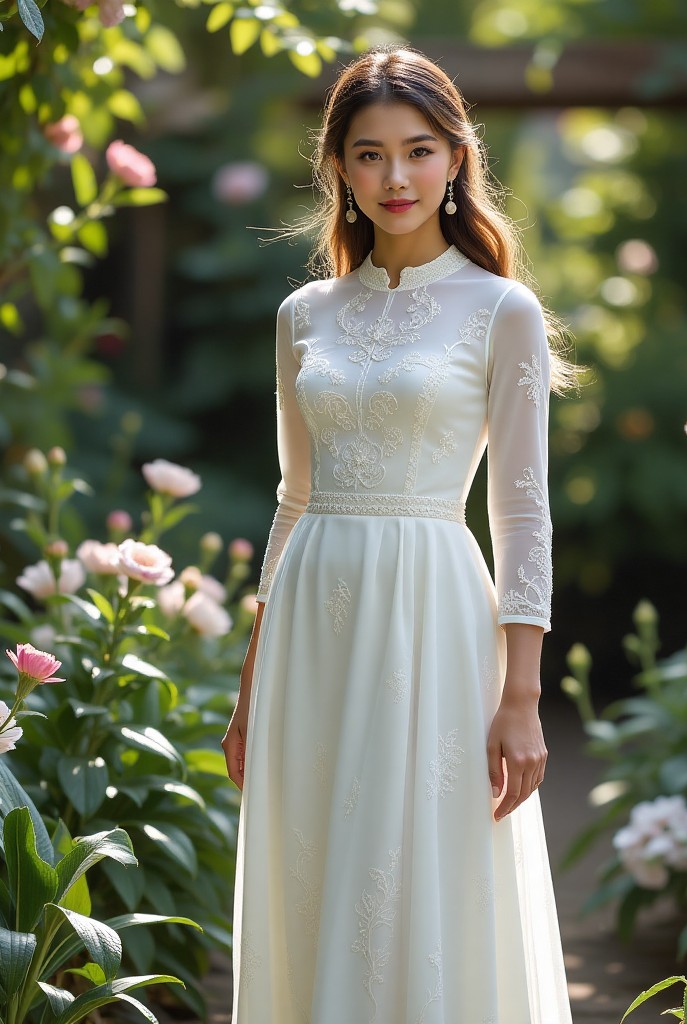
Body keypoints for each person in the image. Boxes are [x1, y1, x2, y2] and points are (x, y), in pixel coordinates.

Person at [222, 44, 574, 1024]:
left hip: (432, 616)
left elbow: (521, 509)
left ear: (457, 157)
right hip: (309, 628)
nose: (396, 177)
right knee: (313, 863)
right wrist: (251, 687)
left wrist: (521, 694)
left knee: (418, 858)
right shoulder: (302, 315)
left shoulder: (504, 310)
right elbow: (292, 499)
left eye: (418, 150)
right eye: (368, 154)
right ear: (338, 166)